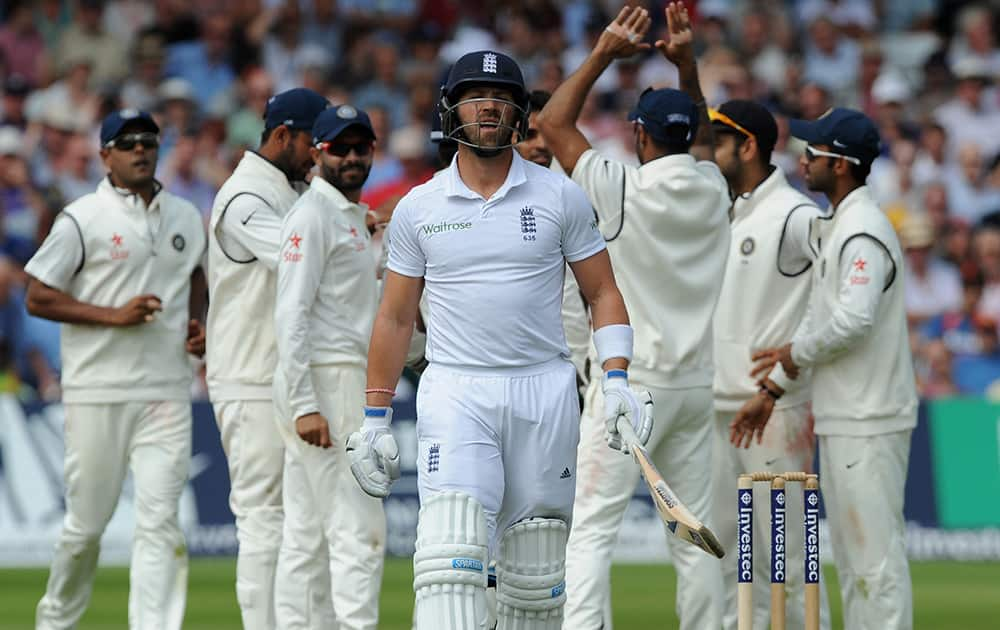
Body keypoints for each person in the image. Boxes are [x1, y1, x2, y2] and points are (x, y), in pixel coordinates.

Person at [347, 49, 650, 630]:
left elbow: (603, 292)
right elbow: (393, 318)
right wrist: (375, 418)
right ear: (451, 108)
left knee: (535, 575)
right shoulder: (418, 207)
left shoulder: (560, 197)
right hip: (457, 388)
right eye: (475, 96)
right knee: (450, 562)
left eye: (502, 98)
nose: (489, 107)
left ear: (519, 114)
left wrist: (617, 380)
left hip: (544, 388)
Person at [537, 5, 729, 629]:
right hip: (695, 386)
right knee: (692, 534)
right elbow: (699, 139)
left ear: (643, 137)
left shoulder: (621, 188)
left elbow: (552, 122)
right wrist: (689, 67)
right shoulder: (713, 188)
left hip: (631, 384)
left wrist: (601, 54)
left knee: (591, 529)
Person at [731, 107, 917, 630]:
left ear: (840, 164)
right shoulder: (839, 226)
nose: (803, 159)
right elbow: (820, 318)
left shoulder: (862, 232)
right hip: (846, 415)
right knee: (857, 561)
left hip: (870, 416)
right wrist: (772, 389)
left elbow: (854, 321)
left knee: (874, 563)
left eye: (813, 152)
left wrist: (793, 353)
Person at [26, 109, 207, 630]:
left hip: (167, 390)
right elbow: (38, 294)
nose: (139, 149)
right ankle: (54, 622)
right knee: (85, 528)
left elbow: (196, 273)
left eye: (148, 141)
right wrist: (114, 316)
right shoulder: (82, 218)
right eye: (126, 142)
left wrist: (197, 323)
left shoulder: (184, 216)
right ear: (105, 154)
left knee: (161, 526)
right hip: (96, 390)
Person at [205, 87, 328, 630]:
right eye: (312, 143)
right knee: (262, 520)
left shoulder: (292, 190)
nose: (318, 155)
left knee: (305, 523)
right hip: (250, 379)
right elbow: (300, 258)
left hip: (284, 376)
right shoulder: (244, 198)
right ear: (283, 136)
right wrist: (356, 232)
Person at [707, 99, 832, 630]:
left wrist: (781, 378)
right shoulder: (727, 211)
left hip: (774, 412)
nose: (708, 154)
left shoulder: (796, 214)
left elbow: (835, 303)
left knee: (794, 556)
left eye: (718, 143)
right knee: (731, 559)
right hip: (718, 411)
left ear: (748, 146)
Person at [273, 104, 386, 630]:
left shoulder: (350, 219)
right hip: (329, 382)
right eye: (340, 148)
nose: (352, 157)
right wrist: (303, 404)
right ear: (318, 153)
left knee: (308, 531)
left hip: (343, 379)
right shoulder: (313, 216)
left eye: (361, 148)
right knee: (358, 526)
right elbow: (290, 313)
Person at [515, 88, 592, 401]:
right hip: (510, 365)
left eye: (546, 134)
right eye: (530, 135)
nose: (542, 145)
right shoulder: (484, 201)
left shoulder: (575, 195)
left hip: (572, 362)